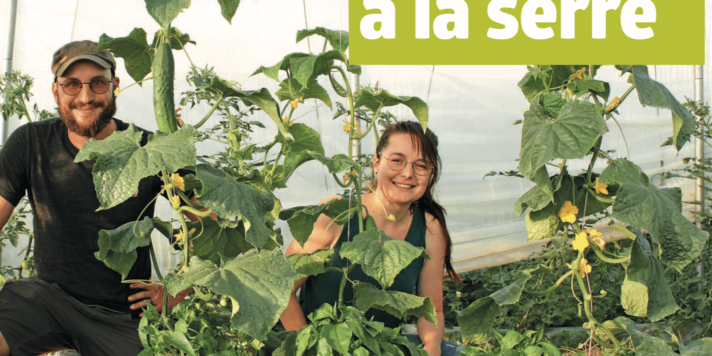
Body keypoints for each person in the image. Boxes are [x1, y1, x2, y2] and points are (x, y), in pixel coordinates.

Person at [0, 40, 191, 356]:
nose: (85, 97)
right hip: (45, 301)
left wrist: (177, 287)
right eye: (72, 85)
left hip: (120, 316)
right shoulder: (30, 142)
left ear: (115, 86)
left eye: (97, 83)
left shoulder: (154, 149)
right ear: (56, 90)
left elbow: (210, 224)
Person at [279, 121, 463, 356]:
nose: (407, 173)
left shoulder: (430, 229)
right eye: (397, 160)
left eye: (421, 166)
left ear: (431, 174)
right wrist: (308, 348)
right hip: (318, 344)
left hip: (382, 348)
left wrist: (431, 350)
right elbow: (282, 289)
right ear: (376, 162)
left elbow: (432, 312)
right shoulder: (335, 214)